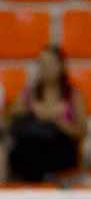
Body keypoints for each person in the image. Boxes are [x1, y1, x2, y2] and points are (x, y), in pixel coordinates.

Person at [7, 46, 84, 184]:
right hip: (31, 150)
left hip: (59, 149)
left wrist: (56, 120)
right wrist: (31, 110)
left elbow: (81, 131)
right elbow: (10, 117)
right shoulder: (29, 92)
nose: (45, 68)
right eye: (41, 63)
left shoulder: (73, 95)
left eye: (50, 63)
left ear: (61, 66)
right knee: (26, 145)